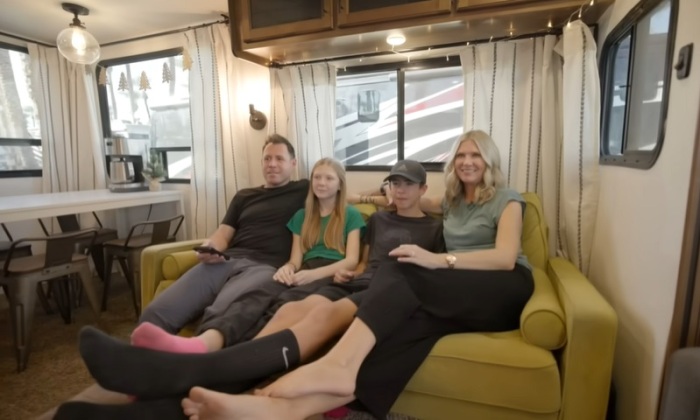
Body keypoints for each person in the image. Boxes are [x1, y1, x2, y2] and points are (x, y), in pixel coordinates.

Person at [180, 129, 536, 420]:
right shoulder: (452, 202)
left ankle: (337, 365)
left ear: (489, 160)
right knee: (395, 333)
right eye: (461, 155)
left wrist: (437, 260)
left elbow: (505, 258)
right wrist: (357, 196)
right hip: (455, 293)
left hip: (503, 288)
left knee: (402, 265)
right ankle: (273, 406)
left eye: (476, 155)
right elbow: (398, 201)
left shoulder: (507, 198)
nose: (467, 161)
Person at [53, 160, 445, 420]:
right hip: (353, 285)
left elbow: (430, 257)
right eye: (395, 183)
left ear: (423, 188)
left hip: (384, 292)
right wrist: (337, 269)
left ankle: (181, 382)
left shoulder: (435, 225)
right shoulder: (375, 218)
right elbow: (361, 261)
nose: (400, 190)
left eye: (409, 184)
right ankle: (191, 372)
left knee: (305, 312)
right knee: (279, 306)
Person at [131, 157, 365, 354]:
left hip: (328, 272)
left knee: (279, 305)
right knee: (255, 297)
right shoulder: (302, 216)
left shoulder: (350, 215)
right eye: (317, 177)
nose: (322, 183)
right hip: (302, 270)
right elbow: (296, 259)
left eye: (329, 178)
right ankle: (199, 345)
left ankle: (235, 355)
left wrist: (312, 275)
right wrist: (289, 268)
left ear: (339, 184)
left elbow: (352, 260)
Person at [138, 134, 310, 336]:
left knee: (220, 315)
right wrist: (210, 247)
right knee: (155, 313)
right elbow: (223, 234)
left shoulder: (304, 190)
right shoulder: (244, 196)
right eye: (267, 158)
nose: (272, 164)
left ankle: (196, 351)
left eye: (279, 159)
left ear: (293, 163)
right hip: (225, 261)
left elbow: (334, 188)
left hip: (264, 267)